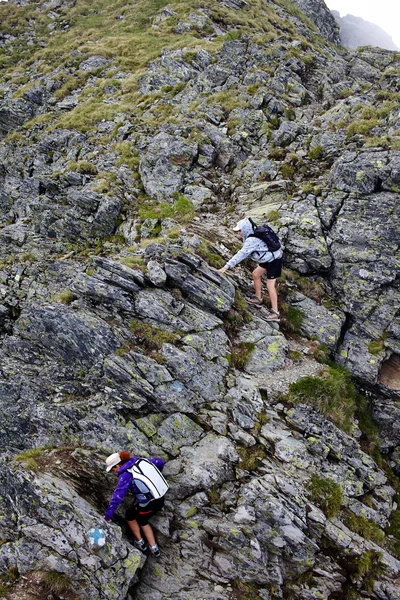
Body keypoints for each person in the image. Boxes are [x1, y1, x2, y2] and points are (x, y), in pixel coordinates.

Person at [218, 217, 283, 322]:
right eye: (237, 231)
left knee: (270, 285)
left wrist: (226, 266)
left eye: (239, 230)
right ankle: (258, 298)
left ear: (245, 229)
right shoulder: (251, 235)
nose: (238, 233)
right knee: (255, 274)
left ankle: (275, 313)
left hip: (275, 260)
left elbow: (241, 254)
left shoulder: (252, 240)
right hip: (268, 258)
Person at [104, 450, 166, 558]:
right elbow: (160, 462)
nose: (114, 472)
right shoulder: (138, 461)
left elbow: (117, 497)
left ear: (118, 465)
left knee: (137, 518)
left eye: (113, 469)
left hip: (150, 504)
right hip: (160, 497)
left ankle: (144, 544)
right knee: (136, 513)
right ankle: (152, 548)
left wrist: (108, 516)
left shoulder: (125, 475)